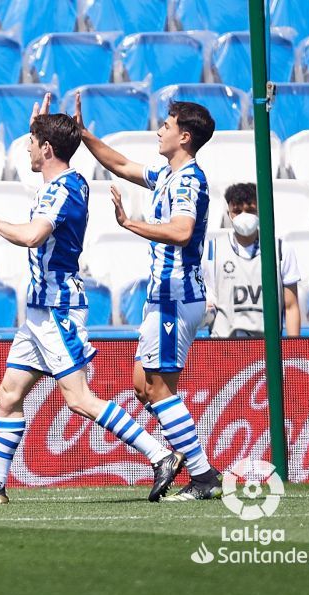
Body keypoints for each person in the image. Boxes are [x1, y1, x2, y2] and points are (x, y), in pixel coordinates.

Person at [0, 96, 184, 505]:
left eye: (32, 142)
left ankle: (160, 454)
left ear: (47, 148)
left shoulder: (65, 189)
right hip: (39, 311)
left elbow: (33, 235)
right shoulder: (63, 183)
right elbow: (45, 178)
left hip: (59, 310)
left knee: (78, 399)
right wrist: (40, 125)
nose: (26, 148)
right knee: (9, 394)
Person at [75, 95, 223, 501]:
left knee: (159, 389)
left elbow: (181, 231)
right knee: (142, 385)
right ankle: (195, 468)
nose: (159, 131)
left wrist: (129, 223)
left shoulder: (189, 181)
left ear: (184, 136)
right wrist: (84, 135)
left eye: (167, 125)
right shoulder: (167, 175)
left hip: (176, 296)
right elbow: (122, 165)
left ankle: (202, 474)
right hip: (162, 297)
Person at [203, 182, 301, 337]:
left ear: (259, 210)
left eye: (250, 210)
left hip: (267, 344)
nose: (243, 216)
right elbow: (208, 300)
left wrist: (294, 348)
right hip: (224, 344)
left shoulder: (281, 250)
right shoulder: (211, 250)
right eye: (237, 211)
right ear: (229, 213)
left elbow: (291, 306)